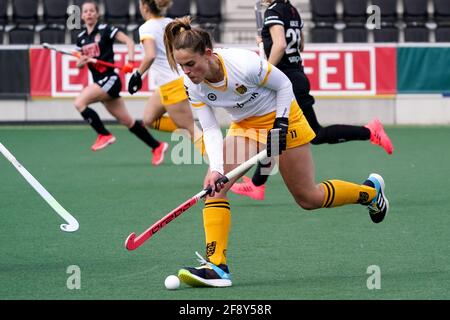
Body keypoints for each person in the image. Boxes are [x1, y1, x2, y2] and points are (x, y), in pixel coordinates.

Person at [163, 17, 389, 288]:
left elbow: (283, 85)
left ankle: (371, 193)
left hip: (285, 118)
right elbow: (210, 128)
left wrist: (281, 124)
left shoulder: (242, 64)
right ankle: (216, 266)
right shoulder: (192, 85)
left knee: (308, 198)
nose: (187, 71)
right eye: (181, 66)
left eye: (190, 64)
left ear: (208, 54)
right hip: (246, 126)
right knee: (214, 187)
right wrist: (216, 168)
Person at [230, 0, 394, 201]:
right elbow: (300, 45)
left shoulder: (273, 11)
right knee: (277, 135)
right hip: (296, 75)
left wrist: (264, 71)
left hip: (284, 81)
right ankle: (257, 185)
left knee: (311, 134)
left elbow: (280, 44)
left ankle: (370, 131)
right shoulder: (292, 10)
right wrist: (265, 42)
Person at [74, 0, 168, 165]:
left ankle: (104, 134)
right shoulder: (81, 38)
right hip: (100, 82)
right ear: (81, 15)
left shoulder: (105, 30)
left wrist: (130, 62)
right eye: (85, 11)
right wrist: (82, 61)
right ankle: (157, 146)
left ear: (97, 14)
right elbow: (78, 62)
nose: (88, 13)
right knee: (128, 122)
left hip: (110, 79)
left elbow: (129, 42)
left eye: (91, 11)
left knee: (80, 102)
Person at [128, 0, 204, 155]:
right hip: (170, 83)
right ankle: (190, 128)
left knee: (191, 130)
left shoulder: (146, 28)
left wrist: (137, 75)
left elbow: (150, 55)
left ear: (144, 7)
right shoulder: (169, 22)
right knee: (149, 120)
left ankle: (225, 169)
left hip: (172, 85)